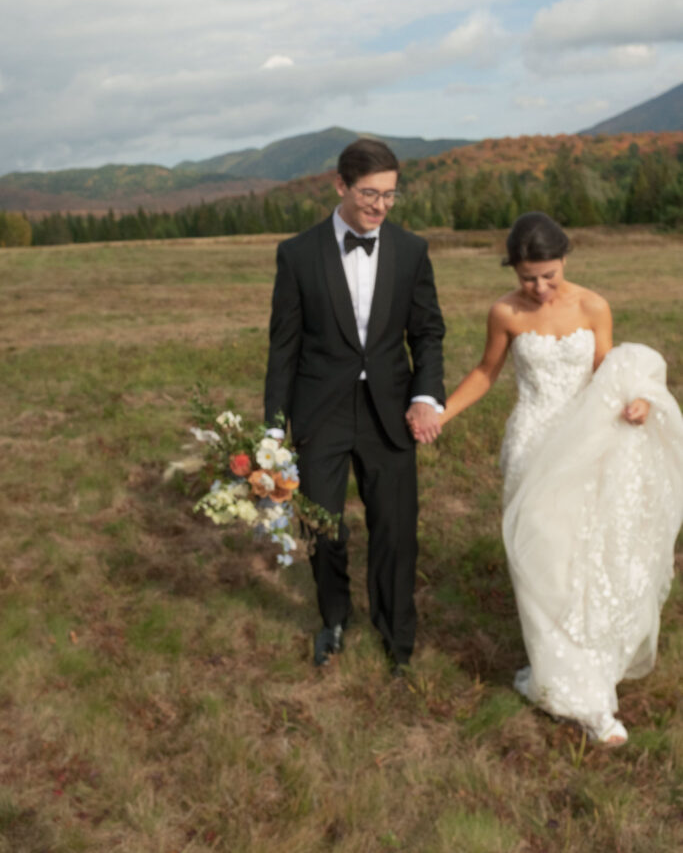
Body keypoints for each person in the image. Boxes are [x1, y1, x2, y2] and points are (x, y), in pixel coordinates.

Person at [417, 211, 683, 744]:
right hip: (532, 444)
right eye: (526, 278)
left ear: (565, 260)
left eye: (548, 276)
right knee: (540, 561)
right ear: (513, 271)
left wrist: (635, 401)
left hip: (585, 442)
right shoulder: (505, 312)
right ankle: (561, 679)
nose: (538, 288)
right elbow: (486, 373)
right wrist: (439, 414)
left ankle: (584, 683)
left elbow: (608, 374)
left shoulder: (593, 305)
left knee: (583, 560)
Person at [265, 138, 445, 674]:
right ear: (340, 185)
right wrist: (273, 431)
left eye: (391, 195)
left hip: (390, 411)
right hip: (320, 410)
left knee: (395, 529)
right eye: (370, 194)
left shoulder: (412, 251)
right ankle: (334, 619)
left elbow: (428, 332)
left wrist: (424, 395)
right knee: (323, 526)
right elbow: (283, 347)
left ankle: (397, 640)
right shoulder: (297, 253)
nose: (381, 206)